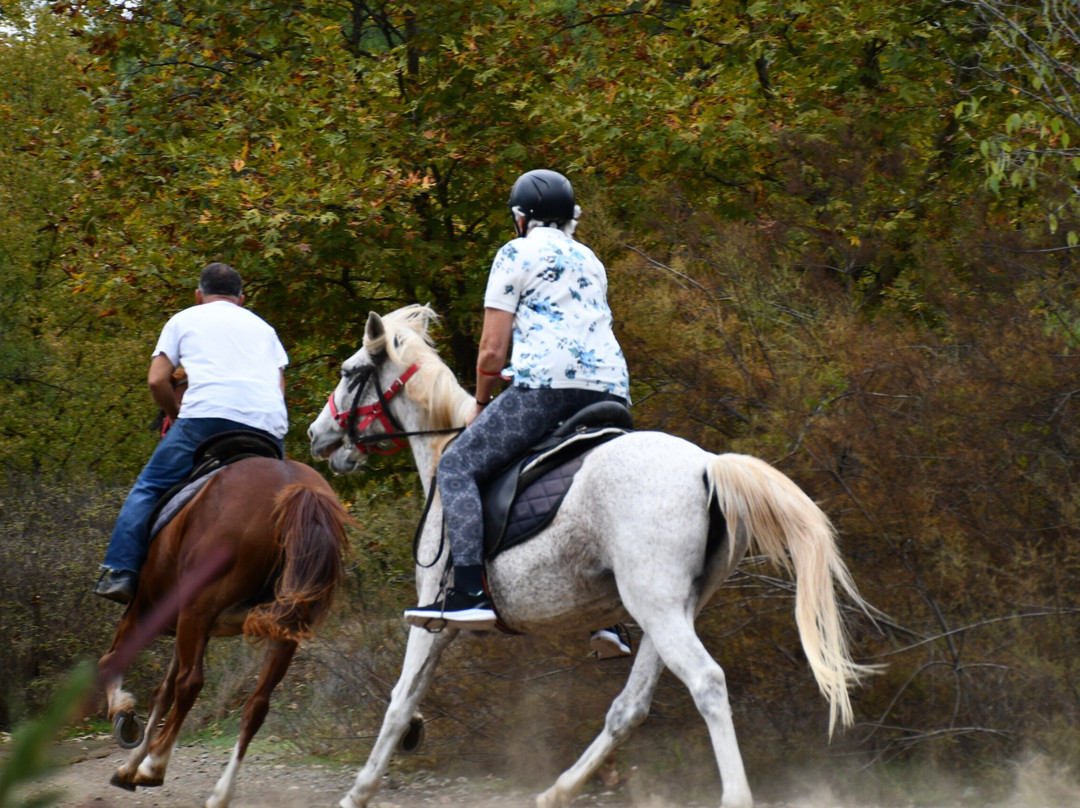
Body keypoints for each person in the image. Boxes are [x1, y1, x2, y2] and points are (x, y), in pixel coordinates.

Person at [404, 169, 631, 655]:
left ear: (521, 218)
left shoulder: (515, 252)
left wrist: (482, 403)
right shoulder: (591, 260)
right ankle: (612, 619)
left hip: (547, 389)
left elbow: (491, 351)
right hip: (611, 392)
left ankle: (469, 591)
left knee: (457, 465)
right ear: (570, 218)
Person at [94, 262, 289, 604]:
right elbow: (279, 390)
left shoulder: (183, 319)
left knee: (150, 486)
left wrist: (175, 415)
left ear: (198, 295)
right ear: (241, 299)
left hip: (204, 420)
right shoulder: (266, 330)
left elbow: (157, 380)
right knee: (287, 501)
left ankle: (122, 571)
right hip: (266, 425)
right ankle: (289, 579)